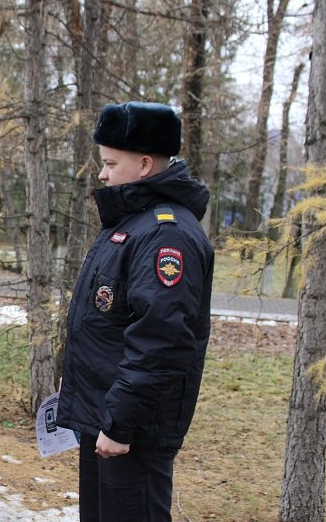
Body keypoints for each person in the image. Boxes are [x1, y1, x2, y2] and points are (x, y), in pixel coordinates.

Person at [56, 102, 214, 521]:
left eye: (110, 163)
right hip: (105, 418)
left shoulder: (168, 235)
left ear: (144, 164)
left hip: (132, 430)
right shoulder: (131, 224)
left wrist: (120, 422)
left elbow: (161, 341)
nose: (103, 174)